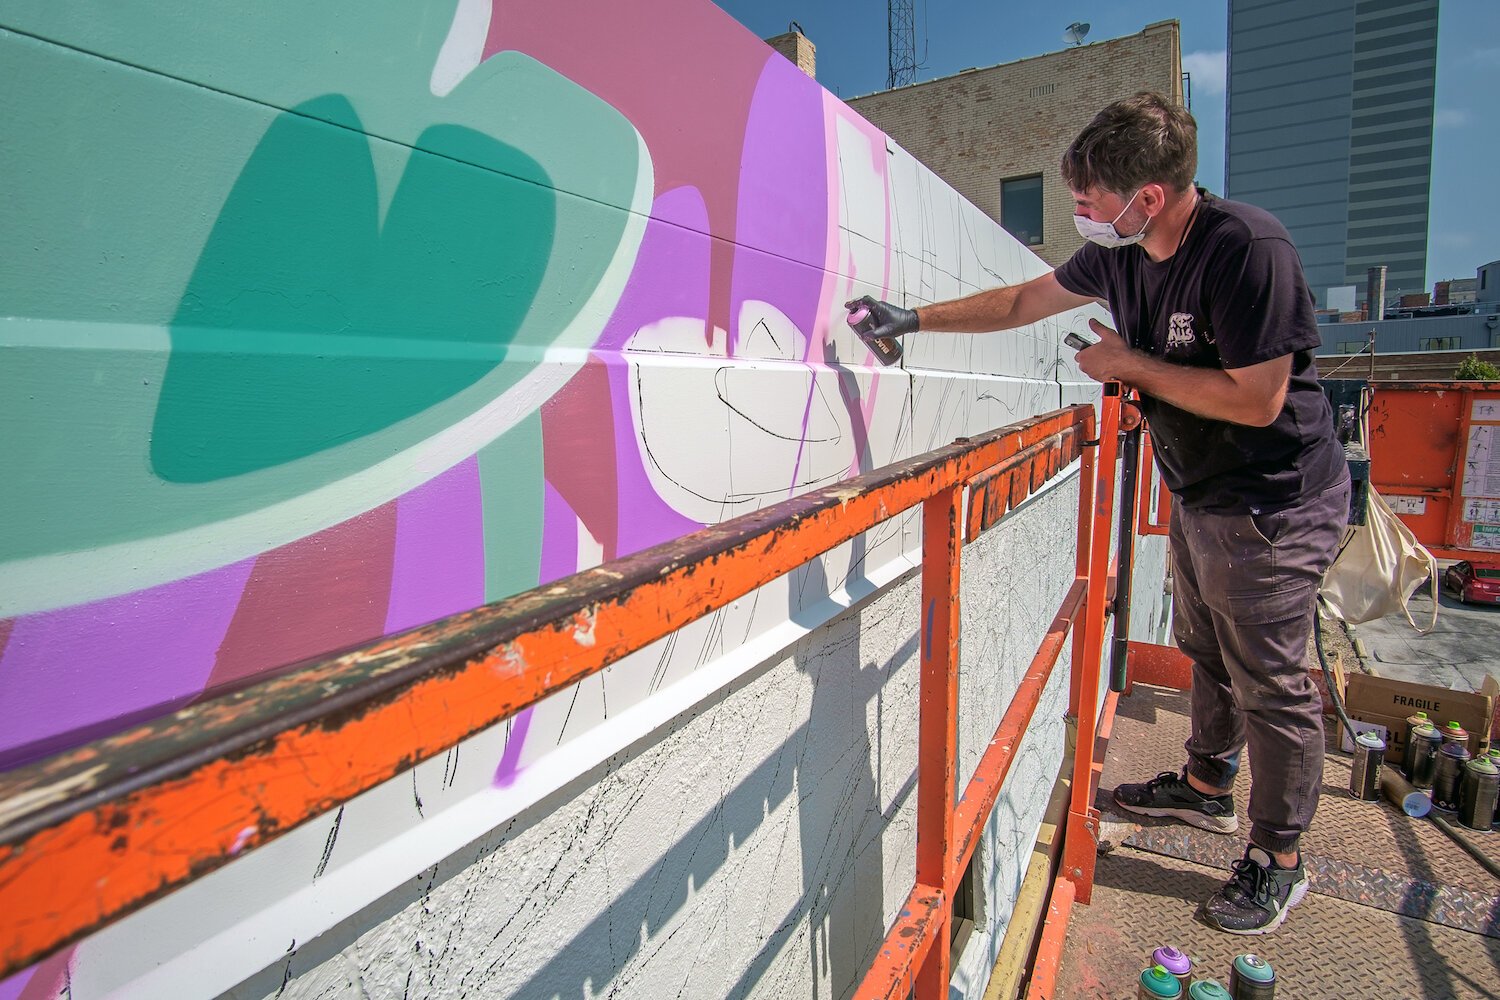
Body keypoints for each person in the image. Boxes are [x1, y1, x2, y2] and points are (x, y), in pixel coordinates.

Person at [848, 91, 1349, 935]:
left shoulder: (1246, 251)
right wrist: (913, 319)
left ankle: (1279, 858)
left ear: (1147, 199)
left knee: (1271, 680)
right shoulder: (1120, 256)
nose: (1078, 212)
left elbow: (1260, 400)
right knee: (1206, 651)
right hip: (1200, 489)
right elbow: (1018, 303)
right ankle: (1205, 788)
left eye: (1089, 200)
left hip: (1276, 501)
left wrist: (1129, 363)